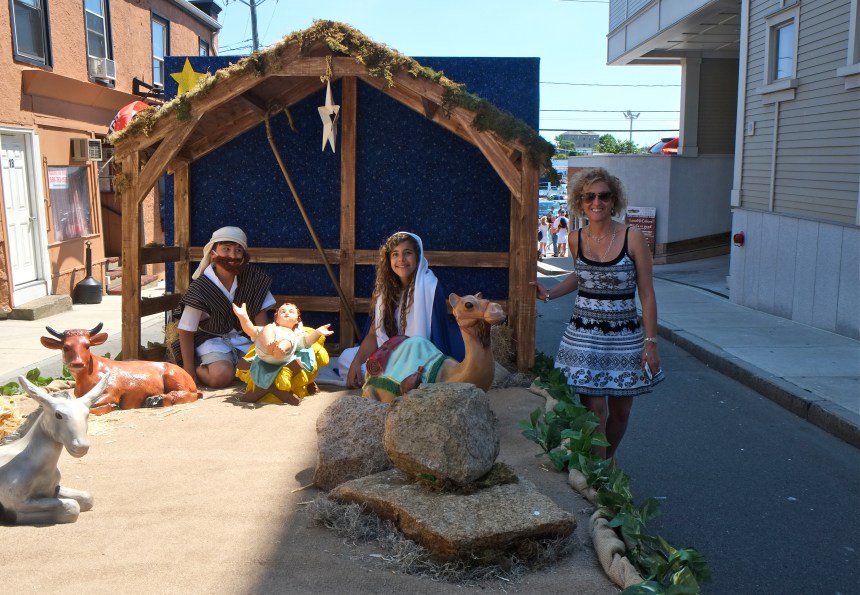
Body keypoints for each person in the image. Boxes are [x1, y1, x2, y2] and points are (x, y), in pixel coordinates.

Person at [530, 167, 664, 460]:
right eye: (589, 196)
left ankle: (603, 462)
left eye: (604, 196)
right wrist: (549, 293)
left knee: (621, 410)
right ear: (580, 202)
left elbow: (647, 294)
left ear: (614, 200)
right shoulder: (576, 239)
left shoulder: (633, 238)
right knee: (596, 413)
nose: (596, 202)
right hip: (583, 337)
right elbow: (580, 276)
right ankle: (599, 476)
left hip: (625, 337)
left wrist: (650, 343)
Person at [338, 231, 464, 388]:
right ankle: (387, 380)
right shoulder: (385, 290)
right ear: (389, 259)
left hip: (418, 359)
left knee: (413, 364)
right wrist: (356, 363)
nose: (401, 260)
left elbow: (436, 338)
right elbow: (373, 334)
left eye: (407, 253)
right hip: (388, 356)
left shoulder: (430, 287)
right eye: (395, 254)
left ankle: (389, 380)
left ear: (417, 256)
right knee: (345, 359)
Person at [174, 226, 276, 389]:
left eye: (238, 251)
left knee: (263, 371)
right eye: (226, 249)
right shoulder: (201, 287)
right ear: (213, 253)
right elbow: (186, 329)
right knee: (221, 376)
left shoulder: (254, 279)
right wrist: (189, 370)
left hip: (244, 338)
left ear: (244, 256)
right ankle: (201, 367)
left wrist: (264, 351)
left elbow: (260, 322)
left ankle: (237, 366)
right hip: (210, 340)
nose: (232, 256)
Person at [233, 301, 333, 404]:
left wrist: (317, 332)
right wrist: (243, 317)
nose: (286, 313)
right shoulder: (271, 328)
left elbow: (307, 341)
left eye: (291, 311)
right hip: (264, 354)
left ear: (297, 320)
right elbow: (250, 330)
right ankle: (270, 344)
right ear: (276, 318)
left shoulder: (295, 335)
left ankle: (280, 348)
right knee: (266, 328)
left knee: (288, 339)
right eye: (282, 311)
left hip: (283, 357)